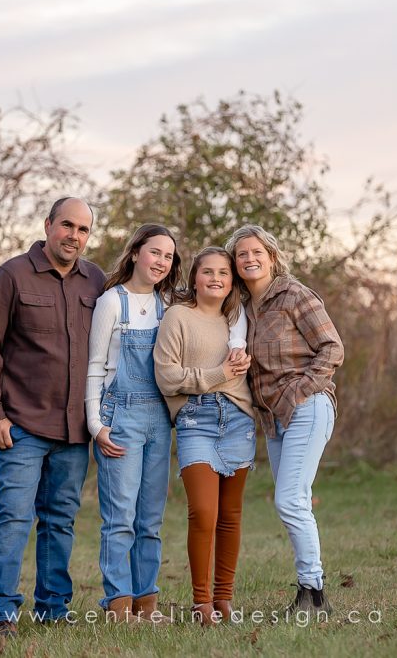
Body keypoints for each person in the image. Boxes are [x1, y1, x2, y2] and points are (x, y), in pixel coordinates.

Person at [86, 228, 247, 623]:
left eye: (168, 256)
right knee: (120, 515)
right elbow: (94, 367)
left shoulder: (166, 303)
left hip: (161, 419)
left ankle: (147, 604)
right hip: (119, 416)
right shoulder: (111, 302)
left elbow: (226, 317)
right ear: (136, 253)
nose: (160, 261)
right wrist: (95, 423)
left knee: (150, 519)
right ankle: (118, 604)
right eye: (153, 252)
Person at [0, 197, 105, 638]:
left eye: (83, 230)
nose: (74, 236)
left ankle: (53, 607)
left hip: (74, 429)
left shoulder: (96, 282)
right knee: (13, 516)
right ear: (48, 224)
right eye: (67, 225)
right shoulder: (10, 277)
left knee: (61, 519)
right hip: (22, 424)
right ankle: (1, 612)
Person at [225, 224, 344, 616]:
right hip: (273, 420)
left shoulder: (294, 295)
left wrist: (302, 390)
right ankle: (309, 592)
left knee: (290, 500)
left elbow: (332, 347)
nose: (249, 259)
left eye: (256, 251)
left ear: (272, 256)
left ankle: (314, 594)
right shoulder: (241, 309)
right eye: (242, 254)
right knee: (294, 501)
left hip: (307, 406)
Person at [154, 247, 255, 626]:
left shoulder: (238, 321)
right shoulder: (178, 317)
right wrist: (218, 374)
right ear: (194, 278)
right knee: (203, 513)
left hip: (239, 420)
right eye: (207, 272)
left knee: (230, 515)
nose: (215, 278)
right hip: (196, 420)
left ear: (232, 283)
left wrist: (238, 368)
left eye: (224, 273)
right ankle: (202, 602)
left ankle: (224, 598)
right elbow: (167, 377)